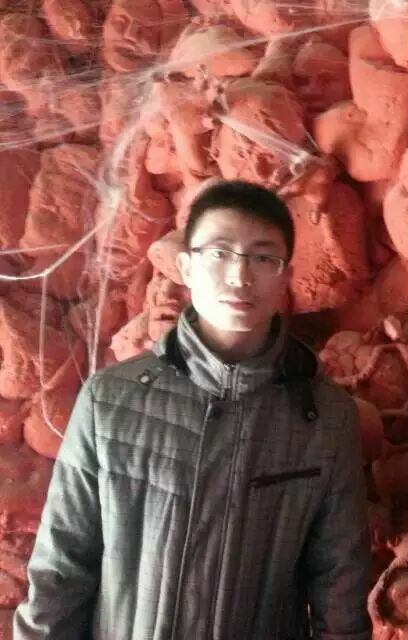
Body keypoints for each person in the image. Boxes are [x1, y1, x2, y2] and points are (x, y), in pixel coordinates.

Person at [15, 180, 372, 639]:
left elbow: (339, 586)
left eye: (263, 257)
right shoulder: (110, 401)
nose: (239, 275)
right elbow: (61, 569)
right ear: (186, 266)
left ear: (285, 276)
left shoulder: (325, 417)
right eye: (219, 253)